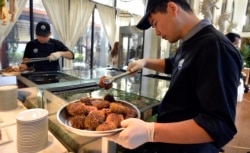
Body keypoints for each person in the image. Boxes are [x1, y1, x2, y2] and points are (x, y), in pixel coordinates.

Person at [107, 0, 242, 153]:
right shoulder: (189, 41)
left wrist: (151, 132)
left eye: (155, 23)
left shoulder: (215, 48)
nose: (156, 32)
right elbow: (174, 64)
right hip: (169, 144)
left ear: (172, 8)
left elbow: (219, 125)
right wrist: (144, 62)